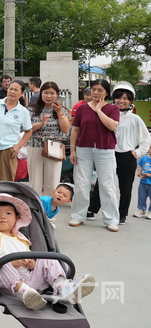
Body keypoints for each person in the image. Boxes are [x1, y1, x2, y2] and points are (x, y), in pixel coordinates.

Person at [0, 194, 95, 310]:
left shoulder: (21, 238)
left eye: (8, 213)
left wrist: (31, 264)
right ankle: (26, 293)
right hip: (11, 285)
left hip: (32, 281)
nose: (3, 216)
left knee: (47, 258)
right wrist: (12, 263)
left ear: (16, 218)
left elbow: (32, 263)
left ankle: (62, 287)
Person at [88, 82, 150, 225]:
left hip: (126, 156)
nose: (121, 101)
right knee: (101, 183)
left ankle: (121, 214)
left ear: (130, 101)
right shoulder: (105, 113)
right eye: (118, 97)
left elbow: (146, 139)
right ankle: (91, 210)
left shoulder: (135, 119)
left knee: (125, 187)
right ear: (113, 98)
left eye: (125, 98)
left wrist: (138, 152)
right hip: (108, 153)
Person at [68, 79, 121, 232]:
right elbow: (76, 130)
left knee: (107, 185)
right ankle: (78, 216)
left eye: (100, 90)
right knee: (81, 183)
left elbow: (112, 126)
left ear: (106, 92)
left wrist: (98, 110)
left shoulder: (112, 109)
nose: (96, 92)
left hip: (105, 150)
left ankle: (111, 219)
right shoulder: (82, 108)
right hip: (83, 149)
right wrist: (72, 150)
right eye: (94, 89)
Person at [0, 79, 33, 181]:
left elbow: (29, 131)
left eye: (16, 90)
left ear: (22, 93)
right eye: (10, 89)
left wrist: (18, 146)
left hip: (8, 150)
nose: (12, 92)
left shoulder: (23, 111)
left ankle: (4, 198)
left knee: (5, 183)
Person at [27, 81, 71, 196]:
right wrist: (41, 124)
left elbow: (66, 130)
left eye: (52, 93)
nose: (49, 96)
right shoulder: (30, 110)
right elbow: (25, 128)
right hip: (35, 147)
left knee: (52, 183)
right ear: (41, 93)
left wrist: (59, 112)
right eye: (46, 93)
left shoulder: (62, 110)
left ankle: (50, 212)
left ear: (57, 95)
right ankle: (36, 211)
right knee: (35, 182)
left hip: (54, 149)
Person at [134, 152, 151, 219]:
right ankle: (141, 210)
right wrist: (139, 173)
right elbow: (141, 166)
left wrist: (149, 175)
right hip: (143, 181)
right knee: (141, 196)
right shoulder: (144, 158)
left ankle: (150, 212)